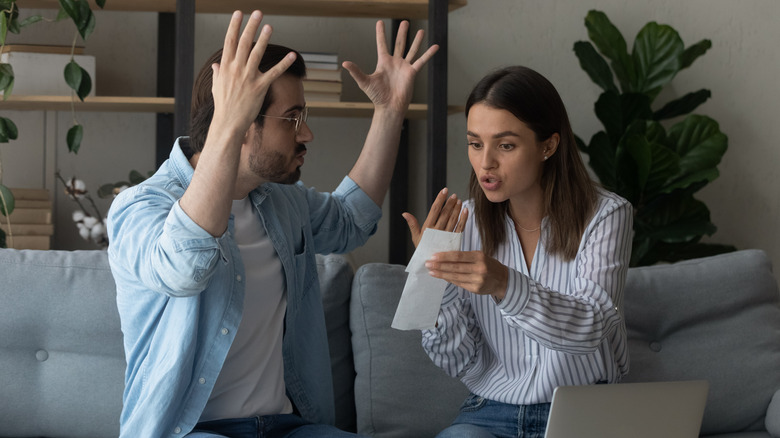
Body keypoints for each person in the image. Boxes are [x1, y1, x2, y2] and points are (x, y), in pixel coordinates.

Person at [106, 10, 437, 438]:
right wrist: (227, 122)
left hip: (286, 427)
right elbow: (183, 269)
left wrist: (390, 112)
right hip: (190, 431)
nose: (307, 135)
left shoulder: (281, 201)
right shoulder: (141, 206)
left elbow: (350, 221)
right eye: (292, 118)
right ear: (242, 123)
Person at [402, 65, 633, 438]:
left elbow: (591, 325)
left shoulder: (607, 214)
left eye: (505, 145)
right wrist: (432, 279)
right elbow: (457, 360)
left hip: (583, 412)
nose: (485, 163)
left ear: (548, 146)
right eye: (475, 143)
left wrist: (505, 284)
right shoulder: (463, 223)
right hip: (489, 412)